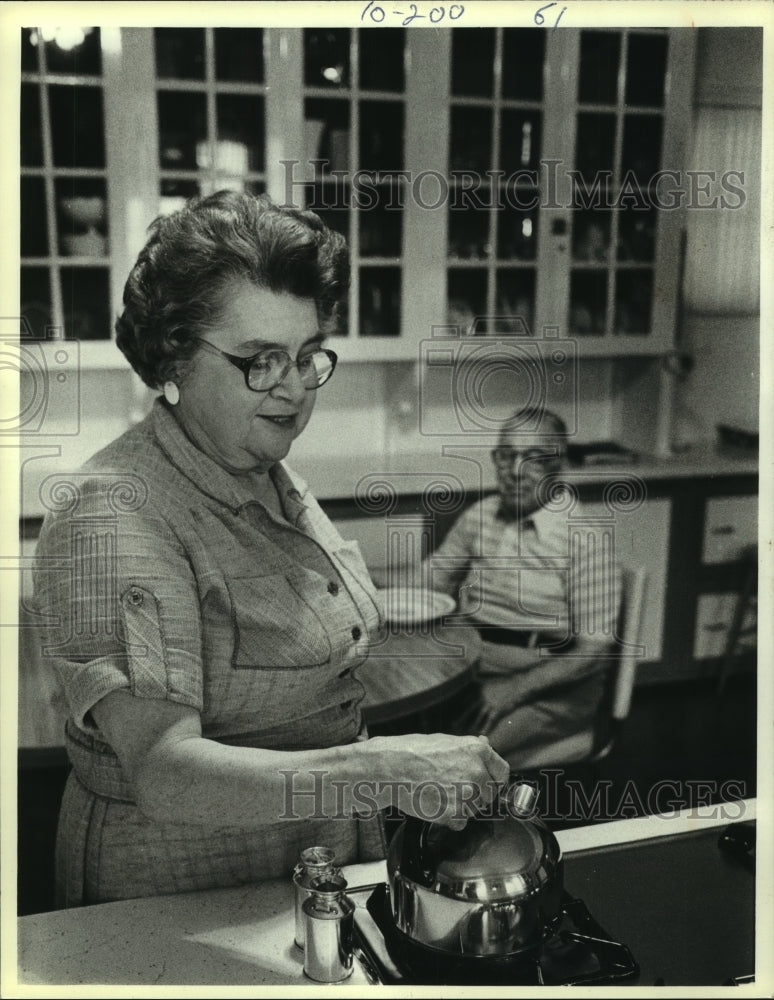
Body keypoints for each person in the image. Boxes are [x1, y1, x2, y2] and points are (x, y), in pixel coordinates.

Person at [32, 191, 509, 907]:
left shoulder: (266, 471)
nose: (292, 389)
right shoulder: (115, 509)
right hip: (186, 889)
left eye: (307, 355)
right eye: (259, 359)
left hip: (314, 856)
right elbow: (164, 771)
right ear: (175, 357)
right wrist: (380, 765)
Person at [424, 408, 621, 767]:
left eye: (532, 458)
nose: (515, 471)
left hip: (548, 688)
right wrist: (354, 572)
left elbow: (596, 651)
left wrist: (513, 690)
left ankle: (481, 823)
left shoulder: (584, 536)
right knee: (401, 735)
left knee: (456, 761)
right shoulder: (481, 514)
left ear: (556, 465)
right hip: (471, 670)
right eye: (507, 455)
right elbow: (429, 579)